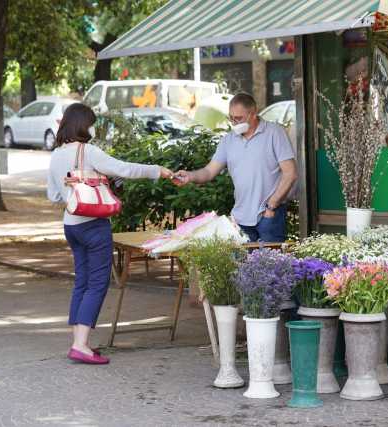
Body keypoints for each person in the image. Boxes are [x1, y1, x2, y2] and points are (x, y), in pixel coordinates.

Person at [47, 103, 173, 365]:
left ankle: (78, 341)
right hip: (93, 225)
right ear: (83, 124)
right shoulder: (88, 151)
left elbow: (53, 195)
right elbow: (124, 169)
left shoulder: (56, 154)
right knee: (97, 283)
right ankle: (81, 345)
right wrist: (156, 170)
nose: (93, 128)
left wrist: (74, 190)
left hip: (71, 224)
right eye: (91, 123)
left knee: (82, 282)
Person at [174, 93, 298, 243]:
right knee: (242, 266)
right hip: (240, 217)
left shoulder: (274, 133)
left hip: (269, 215)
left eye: (238, 118)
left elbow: (290, 173)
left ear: (253, 114)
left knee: (273, 264)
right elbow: (208, 172)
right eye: (231, 118)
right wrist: (190, 176)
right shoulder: (228, 140)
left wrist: (271, 206)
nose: (234, 122)